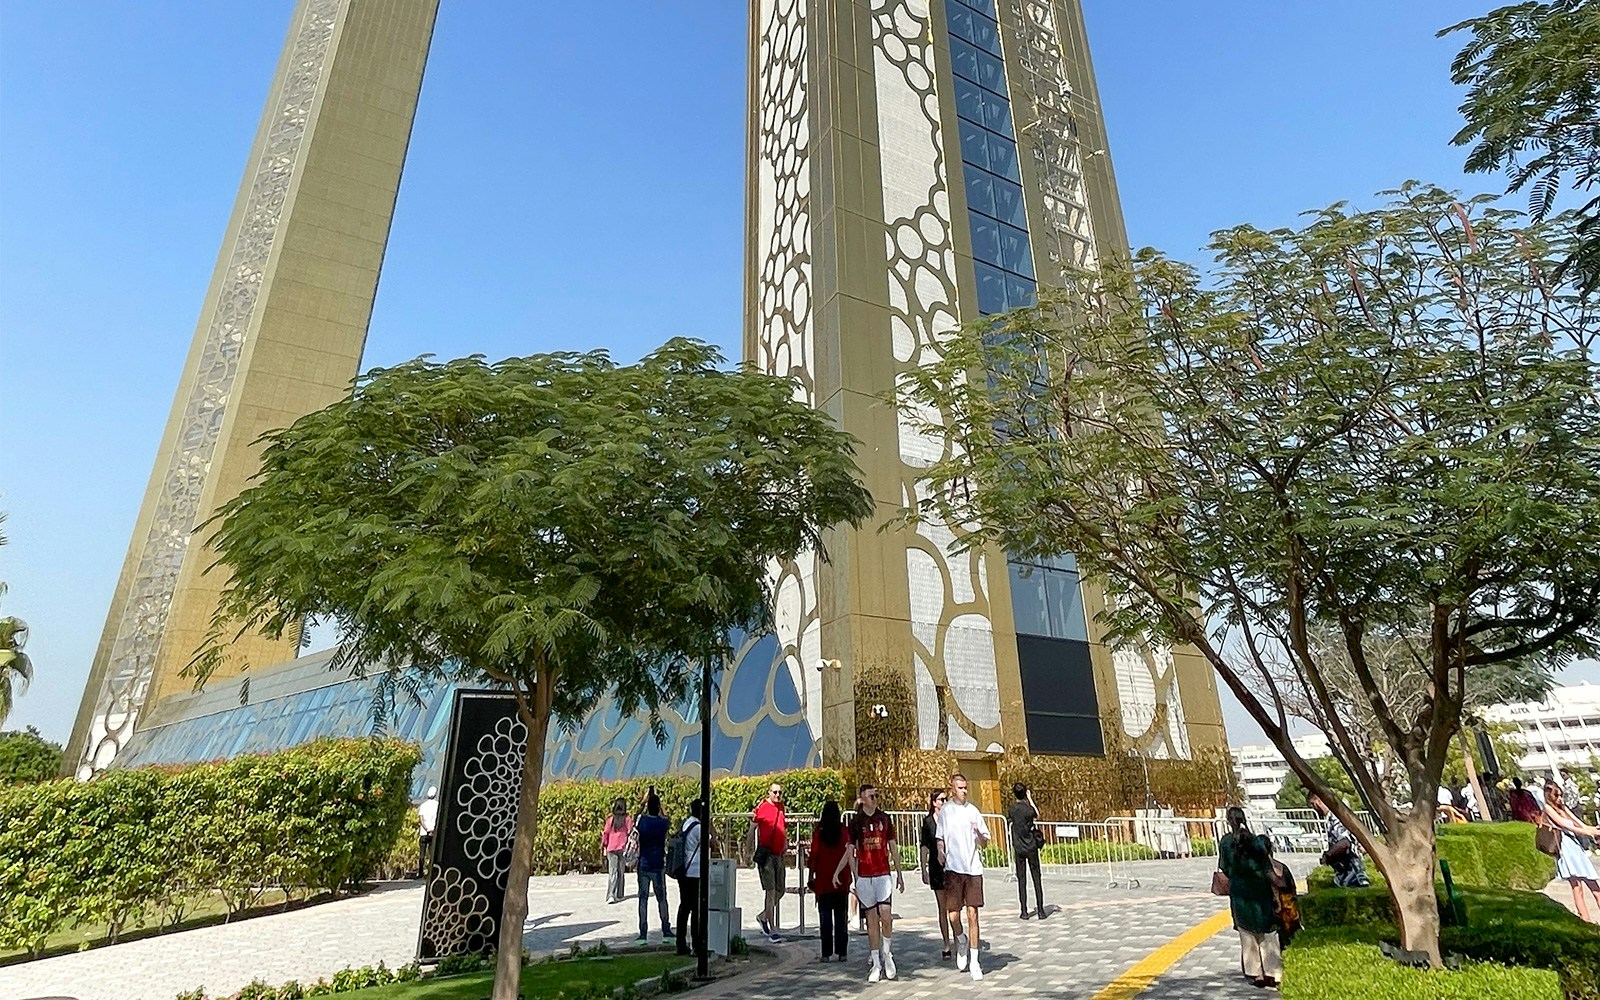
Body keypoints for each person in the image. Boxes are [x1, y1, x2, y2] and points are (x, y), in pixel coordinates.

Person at [848, 781, 904, 983]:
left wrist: (899, 873)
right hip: (865, 876)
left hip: (882, 874)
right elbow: (850, 850)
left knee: (886, 915)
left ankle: (887, 953)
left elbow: (893, 846)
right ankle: (876, 962)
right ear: (862, 799)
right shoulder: (856, 822)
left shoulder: (884, 819)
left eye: (876, 795)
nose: (875, 799)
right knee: (871, 920)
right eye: (871, 796)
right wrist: (855, 876)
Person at [937, 772, 989, 982]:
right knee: (953, 915)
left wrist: (979, 834)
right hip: (953, 869)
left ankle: (975, 961)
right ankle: (960, 939)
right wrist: (940, 851)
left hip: (973, 869)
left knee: (973, 914)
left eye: (966, 787)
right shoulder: (946, 811)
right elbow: (940, 836)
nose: (964, 791)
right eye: (960, 788)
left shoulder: (973, 811)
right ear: (952, 789)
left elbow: (985, 841)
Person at [1220, 819, 1282, 988]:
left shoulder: (1226, 842)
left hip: (1239, 891)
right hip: (1260, 889)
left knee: (1246, 931)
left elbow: (1224, 867)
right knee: (1268, 930)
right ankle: (1274, 973)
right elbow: (1267, 867)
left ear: (1228, 821)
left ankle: (1256, 973)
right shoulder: (1256, 841)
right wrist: (1277, 890)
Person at [1542, 781, 1600, 924]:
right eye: (1557, 796)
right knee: (1577, 887)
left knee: (1594, 886)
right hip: (1566, 849)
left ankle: (1587, 921)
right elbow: (1567, 827)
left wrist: (1594, 829)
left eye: (1561, 795)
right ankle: (1586, 921)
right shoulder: (1548, 809)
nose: (1560, 799)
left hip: (1575, 847)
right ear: (1549, 796)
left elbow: (1580, 824)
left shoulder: (1563, 808)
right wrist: (1590, 833)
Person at [808, 798, 853, 963]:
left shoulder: (819, 833)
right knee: (841, 917)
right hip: (841, 879)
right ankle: (842, 952)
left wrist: (810, 874)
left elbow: (814, 855)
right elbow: (849, 853)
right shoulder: (844, 831)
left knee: (825, 918)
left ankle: (826, 953)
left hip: (823, 880)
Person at [750, 781, 788, 943]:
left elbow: (782, 827)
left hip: (779, 854)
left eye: (780, 792)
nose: (777, 795)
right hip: (767, 855)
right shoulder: (762, 807)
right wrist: (748, 850)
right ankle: (772, 929)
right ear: (769, 793)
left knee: (781, 890)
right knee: (770, 891)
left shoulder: (781, 808)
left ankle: (763, 916)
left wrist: (785, 843)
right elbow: (752, 829)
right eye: (775, 792)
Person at [918, 788, 953, 959]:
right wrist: (923, 868)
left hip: (952, 865)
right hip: (936, 866)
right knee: (942, 907)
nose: (944, 802)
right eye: (941, 800)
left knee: (954, 905)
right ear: (934, 802)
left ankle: (958, 937)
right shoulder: (928, 822)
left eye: (946, 799)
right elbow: (924, 846)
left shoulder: (951, 819)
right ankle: (946, 943)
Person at [634, 792, 674, 943]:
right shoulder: (662, 823)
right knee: (662, 898)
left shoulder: (643, 821)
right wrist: (660, 806)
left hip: (644, 864)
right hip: (658, 864)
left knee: (643, 899)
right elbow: (666, 818)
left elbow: (635, 816)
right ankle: (666, 929)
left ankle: (643, 932)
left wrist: (643, 802)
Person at [1310, 795, 1370, 888]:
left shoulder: (1335, 817)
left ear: (1318, 801)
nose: (1314, 808)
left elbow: (1345, 843)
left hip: (1352, 875)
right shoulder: (1332, 817)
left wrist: (1327, 856)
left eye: (1313, 804)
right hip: (1347, 874)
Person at [1008, 782, 1046, 920]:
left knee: (1021, 879)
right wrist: (1030, 799)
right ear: (1025, 793)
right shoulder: (1028, 809)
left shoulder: (1012, 809)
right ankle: (1040, 910)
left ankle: (1024, 911)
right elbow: (1037, 814)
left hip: (1018, 847)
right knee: (1036, 878)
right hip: (1031, 846)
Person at [674, 799, 705, 955]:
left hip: (683, 870)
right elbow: (710, 843)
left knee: (684, 907)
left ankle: (680, 943)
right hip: (694, 870)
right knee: (695, 909)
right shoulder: (699, 827)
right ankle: (696, 945)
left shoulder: (686, 823)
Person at [601, 797, 633, 904]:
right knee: (621, 872)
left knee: (612, 872)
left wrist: (604, 846)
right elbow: (630, 832)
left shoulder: (610, 819)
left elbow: (606, 833)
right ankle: (620, 893)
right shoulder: (627, 819)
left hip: (611, 848)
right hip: (623, 848)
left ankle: (611, 894)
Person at [417, 786, 439, 878]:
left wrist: (426, 829)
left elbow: (421, 819)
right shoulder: (437, 805)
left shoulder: (423, 805)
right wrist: (432, 829)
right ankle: (431, 872)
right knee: (432, 853)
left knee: (422, 853)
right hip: (433, 832)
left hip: (424, 832)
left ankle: (420, 872)